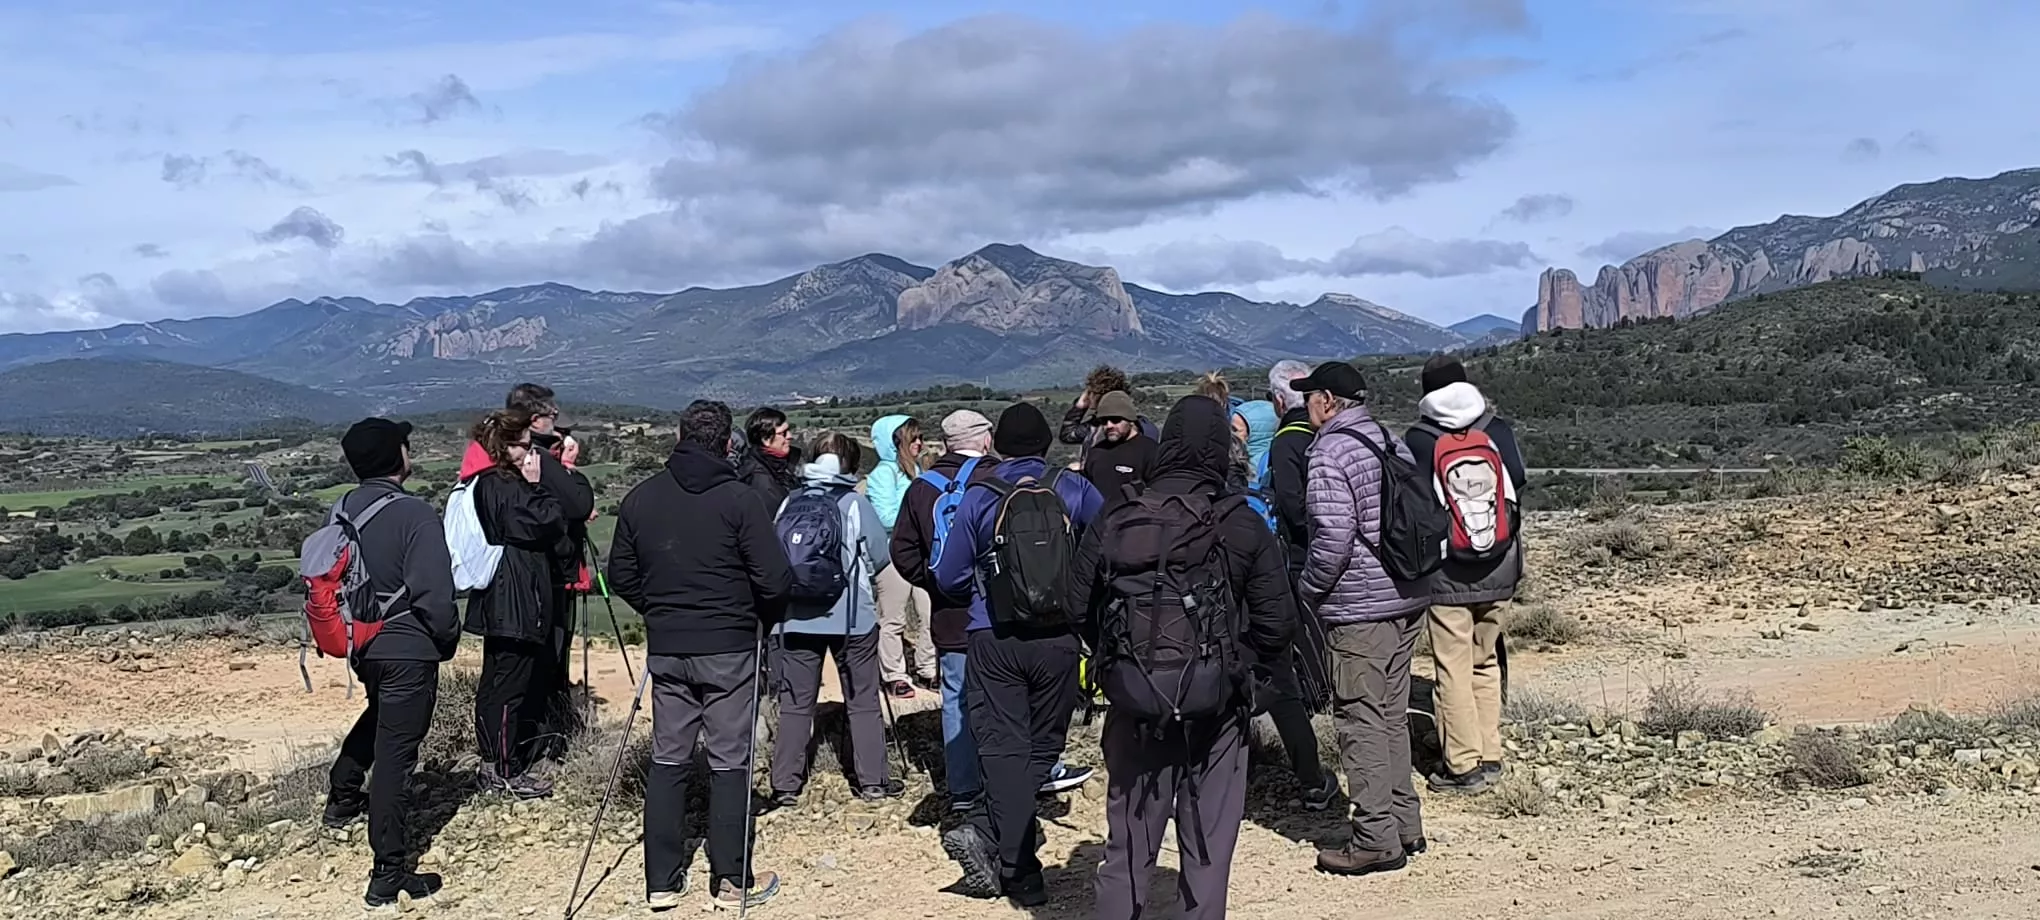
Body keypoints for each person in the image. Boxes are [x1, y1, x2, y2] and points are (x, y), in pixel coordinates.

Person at [1072, 396, 1295, 920]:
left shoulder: (1119, 513)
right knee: (1207, 850)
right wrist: (1234, 663)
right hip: (1217, 705)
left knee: (1128, 846)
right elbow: (1278, 624)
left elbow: (1076, 603)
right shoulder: (1240, 522)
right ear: (1221, 449)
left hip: (1135, 701)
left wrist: (1122, 656)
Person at [607, 400, 791, 911]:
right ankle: (732, 881)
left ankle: (662, 882)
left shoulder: (641, 498)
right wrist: (755, 618)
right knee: (730, 759)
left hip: (668, 647)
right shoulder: (739, 499)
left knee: (669, 757)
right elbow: (775, 579)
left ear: (679, 436)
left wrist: (660, 611)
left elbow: (621, 574)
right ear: (727, 443)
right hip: (729, 646)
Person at [934, 402, 1104, 907]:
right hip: (1059, 638)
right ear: (1046, 444)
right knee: (1043, 749)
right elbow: (1107, 548)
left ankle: (1010, 857)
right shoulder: (1074, 489)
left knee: (1004, 751)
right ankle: (1006, 853)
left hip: (994, 636)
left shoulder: (980, 496)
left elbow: (949, 575)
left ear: (998, 446)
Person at [1293, 360, 1432, 877]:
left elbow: (1332, 536)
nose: (1305, 405)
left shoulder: (1329, 451)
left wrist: (1308, 590)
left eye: (1310, 396)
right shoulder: (1388, 438)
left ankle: (1375, 839)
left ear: (1328, 401)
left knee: (1360, 720)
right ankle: (1405, 824)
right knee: (1390, 715)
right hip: (1407, 595)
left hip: (1360, 607)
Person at [322, 418, 459, 910]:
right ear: (397, 456)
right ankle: (388, 873)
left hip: (362, 644)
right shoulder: (414, 514)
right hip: (408, 647)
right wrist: (446, 640)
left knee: (381, 714)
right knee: (397, 757)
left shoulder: (341, 509)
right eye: (405, 444)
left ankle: (343, 796)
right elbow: (435, 597)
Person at [1404, 355, 1527, 795]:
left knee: (1452, 668)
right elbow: (1518, 483)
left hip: (1447, 573)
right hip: (1500, 564)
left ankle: (1461, 765)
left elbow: (1411, 505)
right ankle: (1490, 754)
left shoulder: (1419, 439)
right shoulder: (1496, 429)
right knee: (1485, 660)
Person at [768, 432, 903, 806]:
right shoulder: (854, 503)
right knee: (862, 700)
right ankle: (872, 782)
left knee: (796, 703)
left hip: (795, 616)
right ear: (850, 464)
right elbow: (879, 557)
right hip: (851, 619)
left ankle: (785, 786)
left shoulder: (789, 502)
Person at [461, 409, 571, 798]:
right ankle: (506, 771)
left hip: (499, 598)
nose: (530, 453)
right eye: (525, 445)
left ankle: (491, 764)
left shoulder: (485, 483)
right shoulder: (509, 487)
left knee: (495, 684)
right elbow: (548, 521)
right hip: (517, 599)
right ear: (507, 447)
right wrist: (537, 486)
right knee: (510, 687)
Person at [505, 383, 597, 763]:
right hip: (550, 575)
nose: (559, 427)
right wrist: (571, 470)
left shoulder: (504, 457)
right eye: (553, 417)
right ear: (535, 419)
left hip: (519, 579)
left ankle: (522, 744)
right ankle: (545, 742)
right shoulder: (540, 458)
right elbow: (579, 503)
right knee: (549, 658)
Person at [866, 415, 938, 696]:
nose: (919, 443)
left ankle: (928, 669)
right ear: (895, 442)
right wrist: (919, 516)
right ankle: (894, 674)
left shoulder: (915, 470)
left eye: (920, 437)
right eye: (912, 438)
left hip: (920, 552)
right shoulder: (883, 474)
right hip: (893, 555)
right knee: (893, 619)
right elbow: (884, 516)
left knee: (929, 613)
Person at [1077, 390, 1158, 509]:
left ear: (1130, 420)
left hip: (1135, 518)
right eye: (1104, 421)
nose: (1109, 425)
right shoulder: (1096, 452)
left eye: (1115, 420)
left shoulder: (1150, 451)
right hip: (1098, 518)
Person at [1059, 364, 1158, 446]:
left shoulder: (1101, 427)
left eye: (1090, 393)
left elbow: (1067, 435)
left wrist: (1079, 407)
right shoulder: (1141, 424)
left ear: (1097, 395)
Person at [737, 406, 802, 508]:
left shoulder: (785, 465)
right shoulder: (759, 482)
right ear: (765, 439)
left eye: (789, 430)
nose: (790, 436)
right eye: (783, 433)